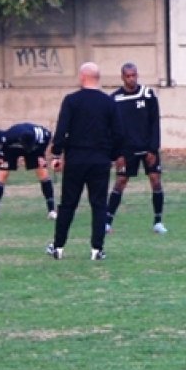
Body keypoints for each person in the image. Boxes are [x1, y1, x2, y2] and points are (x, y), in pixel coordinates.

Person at [46, 62, 125, 261]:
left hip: (75, 159)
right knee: (99, 205)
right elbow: (118, 133)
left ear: (82, 77)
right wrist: (114, 156)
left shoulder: (72, 101)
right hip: (100, 160)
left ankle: (59, 247)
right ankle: (97, 249)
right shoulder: (109, 103)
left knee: (68, 204)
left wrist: (57, 154)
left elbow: (62, 129)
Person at [105, 63, 167, 235]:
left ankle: (158, 221)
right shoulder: (115, 99)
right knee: (120, 182)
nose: (131, 79)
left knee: (155, 180)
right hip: (126, 151)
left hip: (147, 149)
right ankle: (107, 221)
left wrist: (153, 149)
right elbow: (111, 129)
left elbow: (154, 122)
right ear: (122, 77)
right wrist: (116, 154)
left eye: (134, 75)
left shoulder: (147, 94)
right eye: (128, 76)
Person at [0, 123, 56, 222]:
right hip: (12, 149)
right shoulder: (9, 136)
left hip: (34, 150)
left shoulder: (42, 134)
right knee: (2, 174)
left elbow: (48, 138)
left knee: (42, 172)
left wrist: (40, 154)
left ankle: (52, 211)